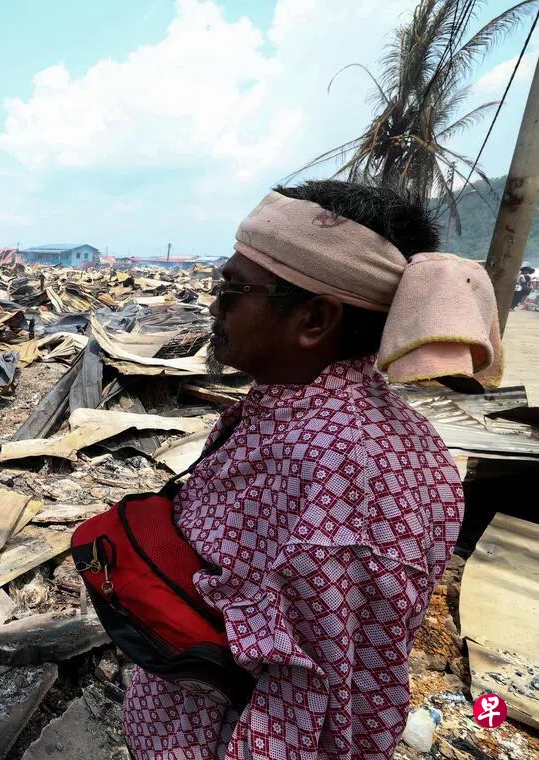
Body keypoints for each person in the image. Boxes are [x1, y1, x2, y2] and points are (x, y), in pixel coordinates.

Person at [122, 180, 501, 760]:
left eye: (232, 290)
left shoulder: (338, 465)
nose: (215, 307)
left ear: (314, 318)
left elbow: (319, 692)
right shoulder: (307, 415)